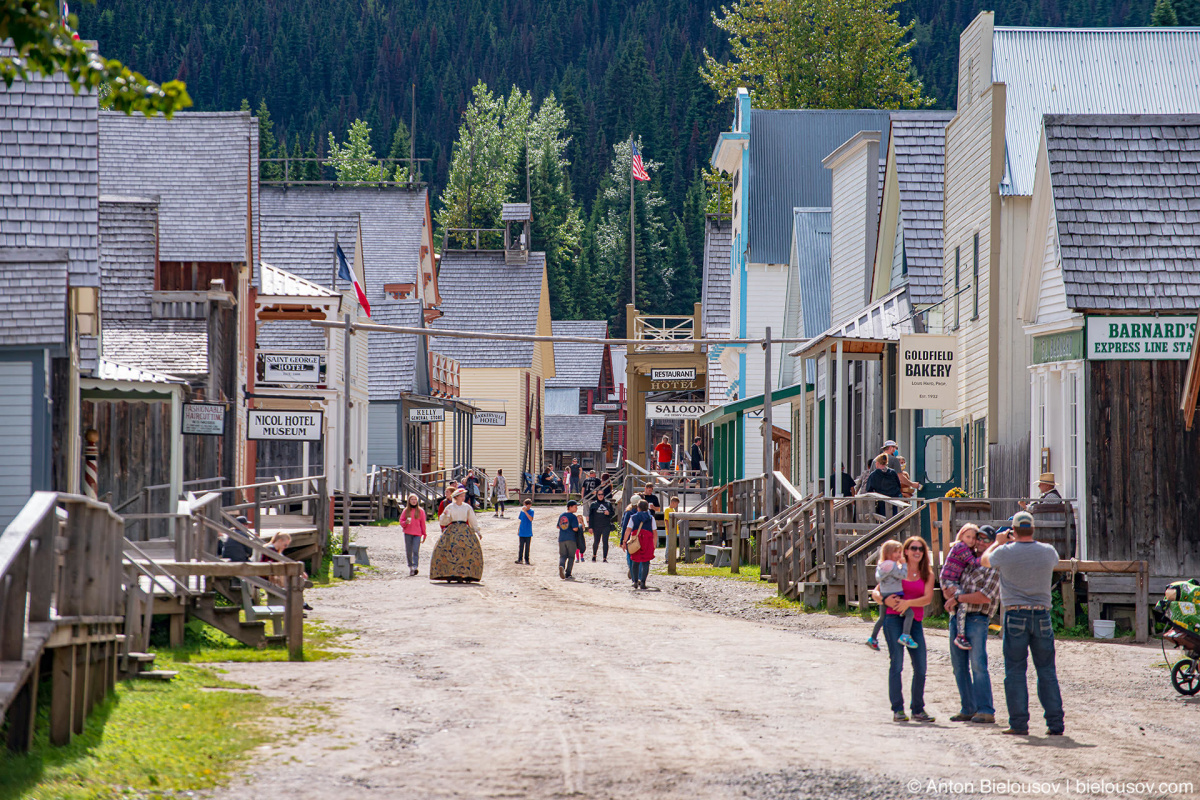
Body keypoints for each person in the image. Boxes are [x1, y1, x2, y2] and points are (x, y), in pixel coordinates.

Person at [981, 511, 1065, 736]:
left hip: (1015, 613)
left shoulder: (1005, 552)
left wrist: (997, 543)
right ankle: (1055, 724)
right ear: (1033, 529)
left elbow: (984, 561)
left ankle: (1019, 723)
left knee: (1016, 671)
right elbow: (1055, 562)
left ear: (1014, 530)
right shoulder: (1048, 551)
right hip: (1042, 614)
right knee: (1046, 670)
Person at [875, 535, 935, 723]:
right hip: (893, 619)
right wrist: (884, 600)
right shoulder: (896, 568)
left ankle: (918, 708)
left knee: (921, 667)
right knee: (897, 664)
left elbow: (927, 599)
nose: (917, 551)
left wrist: (908, 603)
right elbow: (876, 591)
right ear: (906, 551)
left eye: (921, 549)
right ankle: (898, 709)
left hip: (914, 622)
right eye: (913, 548)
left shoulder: (928, 574)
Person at [947, 526, 1000, 725]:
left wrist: (957, 597)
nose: (980, 542)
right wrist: (949, 593)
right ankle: (967, 708)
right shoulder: (966, 558)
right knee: (958, 666)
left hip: (978, 617)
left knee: (978, 665)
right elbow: (950, 579)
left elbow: (986, 596)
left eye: (986, 540)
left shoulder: (994, 563)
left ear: (993, 542)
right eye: (979, 538)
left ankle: (986, 709)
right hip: (957, 615)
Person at [866, 541, 914, 650]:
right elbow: (903, 575)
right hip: (894, 593)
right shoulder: (892, 565)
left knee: (882, 618)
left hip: (884, 593)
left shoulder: (881, 565)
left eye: (900, 552)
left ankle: (873, 638)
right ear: (888, 553)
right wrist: (904, 564)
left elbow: (878, 579)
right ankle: (905, 636)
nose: (899, 555)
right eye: (896, 552)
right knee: (909, 613)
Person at [941, 524, 982, 651]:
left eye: (973, 538)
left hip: (954, 580)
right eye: (967, 536)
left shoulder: (968, 550)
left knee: (958, 603)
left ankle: (956, 624)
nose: (970, 540)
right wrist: (989, 557)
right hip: (949, 580)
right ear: (961, 536)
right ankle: (960, 635)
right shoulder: (960, 546)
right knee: (962, 601)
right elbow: (974, 563)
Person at [432, 487, 484, 582]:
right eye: (461, 496)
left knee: (468, 550)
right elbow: (443, 521)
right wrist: (445, 515)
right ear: (456, 497)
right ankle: (451, 574)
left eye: (463, 496)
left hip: (464, 529)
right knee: (450, 550)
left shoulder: (467, 507)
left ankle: (467, 574)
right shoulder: (450, 507)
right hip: (453, 529)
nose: (463, 498)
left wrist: (477, 531)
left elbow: (473, 520)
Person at [624, 500, 656, 590]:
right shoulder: (651, 518)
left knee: (635, 561)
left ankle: (635, 581)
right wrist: (654, 543)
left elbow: (628, 530)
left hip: (636, 541)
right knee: (646, 562)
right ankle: (643, 582)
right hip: (647, 541)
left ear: (638, 508)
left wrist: (624, 541)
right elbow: (654, 532)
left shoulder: (633, 517)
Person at [399, 493, 427, 576]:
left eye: (415, 499)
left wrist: (424, 534)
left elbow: (423, 523)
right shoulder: (406, 510)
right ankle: (410, 566)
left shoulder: (421, 511)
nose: (414, 501)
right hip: (408, 532)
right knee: (408, 550)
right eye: (412, 499)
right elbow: (401, 521)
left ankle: (415, 566)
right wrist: (405, 523)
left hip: (417, 533)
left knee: (415, 550)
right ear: (409, 501)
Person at [558, 500, 584, 580]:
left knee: (563, 555)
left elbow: (558, 526)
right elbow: (575, 529)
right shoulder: (573, 517)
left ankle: (561, 566)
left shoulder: (562, 516)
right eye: (575, 507)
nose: (576, 508)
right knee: (571, 557)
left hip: (561, 538)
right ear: (570, 507)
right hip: (571, 539)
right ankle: (568, 573)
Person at [588, 493, 615, 562]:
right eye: (599, 494)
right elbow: (590, 516)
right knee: (596, 541)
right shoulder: (593, 504)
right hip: (596, 526)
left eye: (602, 494)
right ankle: (594, 555)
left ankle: (604, 558)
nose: (601, 496)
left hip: (606, 525)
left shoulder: (608, 503)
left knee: (605, 541)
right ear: (597, 495)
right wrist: (590, 527)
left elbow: (613, 513)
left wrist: (608, 513)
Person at [516, 498, 534, 565]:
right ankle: (520, 559)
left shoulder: (531, 511)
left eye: (527, 505)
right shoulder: (522, 512)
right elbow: (521, 521)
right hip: (522, 531)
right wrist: (518, 529)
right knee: (521, 546)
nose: (526, 506)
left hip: (528, 532)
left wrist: (526, 511)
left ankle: (527, 559)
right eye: (525, 504)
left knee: (527, 547)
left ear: (530, 505)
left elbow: (530, 519)